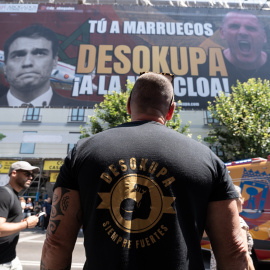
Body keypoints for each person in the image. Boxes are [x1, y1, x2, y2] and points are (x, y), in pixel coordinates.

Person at [41, 72, 254, 269]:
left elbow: (56, 242)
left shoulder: (82, 152)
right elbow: (235, 250)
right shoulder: (208, 159)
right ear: (171, 110)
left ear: (128, 105)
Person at [0, 24, 85, 107]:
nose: (27, 63)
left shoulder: (84, 108)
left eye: (39, 54)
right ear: (6, 66)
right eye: (18, 55)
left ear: (55, 61)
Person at [0, 161, 39, 269]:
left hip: (11, 259)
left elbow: (8, 222)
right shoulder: (4, 194)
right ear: (14, 173)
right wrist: (26, 224)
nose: (31, 177)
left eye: (32, 175)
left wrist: (21, 222)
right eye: (27, 174)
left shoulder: (14, 195)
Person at [210, 185, 254, 270]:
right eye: (241, 197)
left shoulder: (220, 220)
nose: (243, 201)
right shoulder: (238, 222)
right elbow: (244, 255)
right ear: (233, 200)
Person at [220, 11, 270, 86]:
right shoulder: (205, 67)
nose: (242, 32)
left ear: (264, 36)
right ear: (222, 32)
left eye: (251, 28)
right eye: (234, 26)